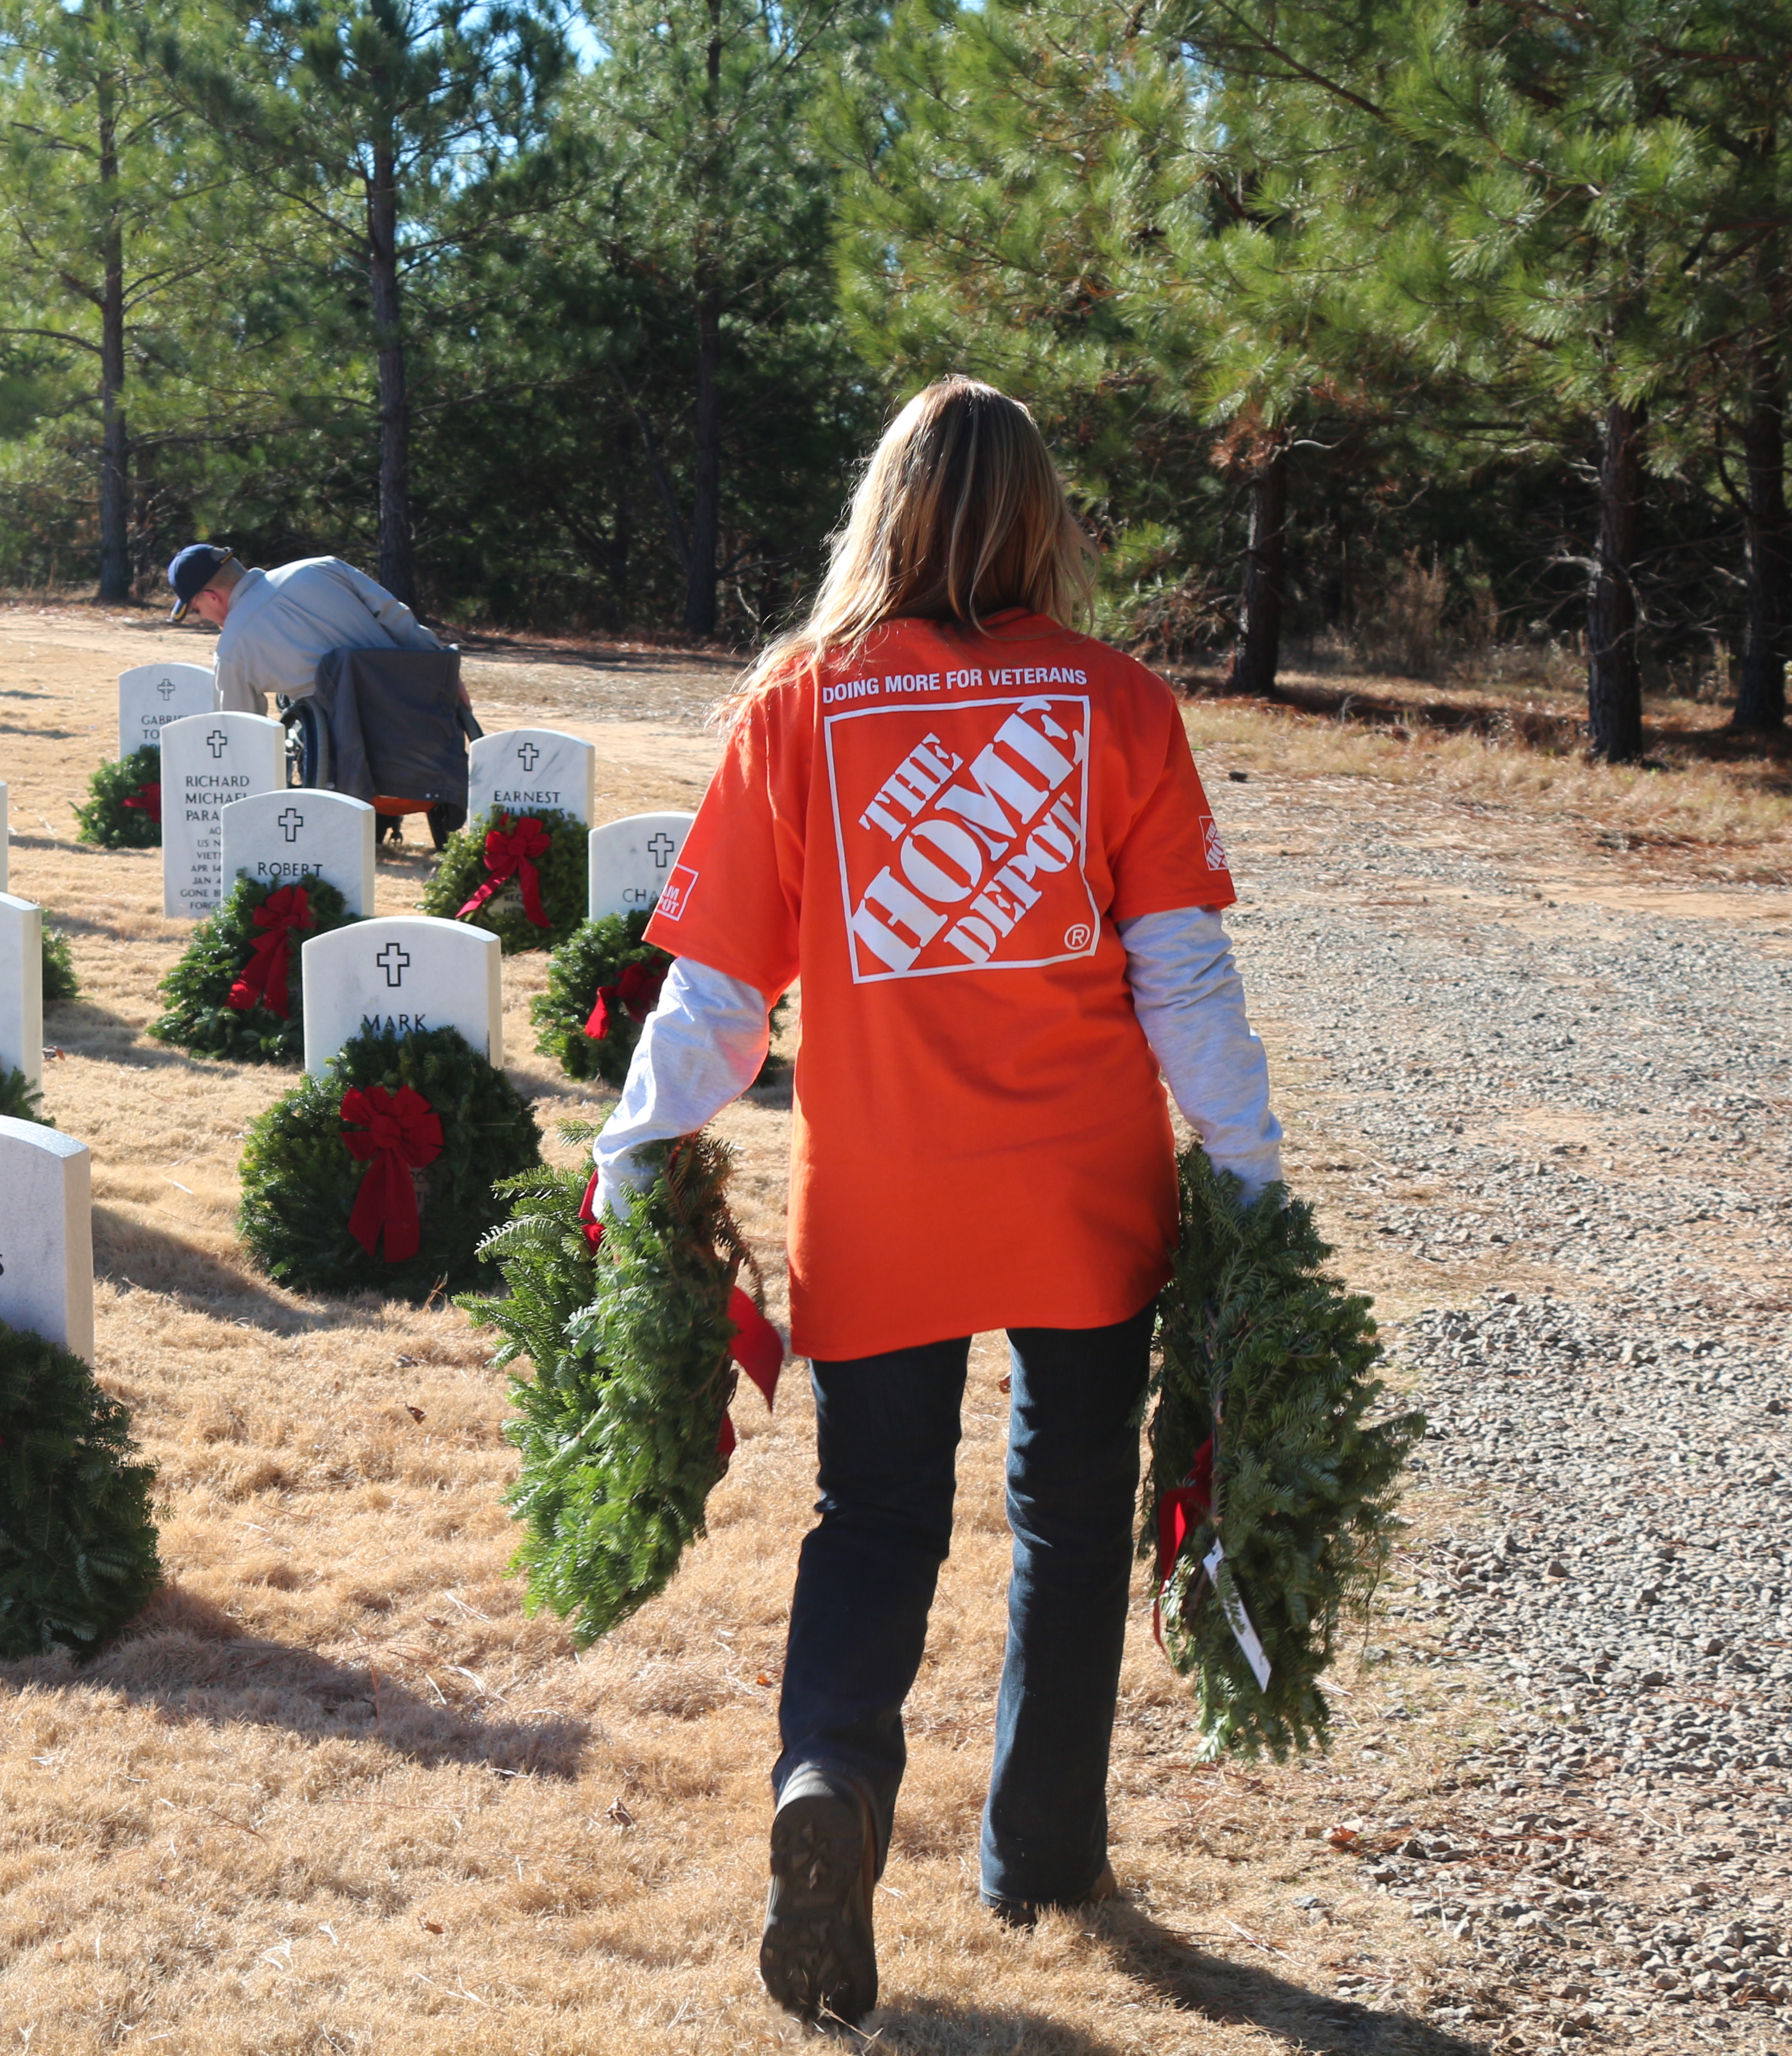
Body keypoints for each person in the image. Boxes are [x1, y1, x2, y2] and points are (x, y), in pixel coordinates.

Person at [594, 376, 1285, 2029]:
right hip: (1084, 1201)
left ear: (880, 513)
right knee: (1066, 1515)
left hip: (885, 1200)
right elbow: (1184, 974)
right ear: (1045, 519)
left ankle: (829, 1772)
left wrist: (631, 1154)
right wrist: (1251, 1175)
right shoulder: (1118, 704)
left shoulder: (800, 704)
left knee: (877, 1521)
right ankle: (1040, 1854)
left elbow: (715, 1005)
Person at [165, 543, 448, 714]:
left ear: (212, 597)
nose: (208, 619)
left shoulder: (231, 650)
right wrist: (443, 671)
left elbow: (244, 730)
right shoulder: (323, 567)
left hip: (347, 753)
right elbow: (395, 617)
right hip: (413, 710)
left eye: (198, 610)